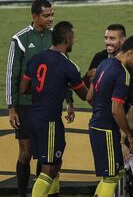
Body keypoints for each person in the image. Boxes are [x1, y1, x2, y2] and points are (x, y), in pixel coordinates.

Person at [5, 0, 72, 197]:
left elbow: (65, 71)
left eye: (52, 15)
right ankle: (22, 194)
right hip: (25, 106)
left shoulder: (56, 38)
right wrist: (11, 107)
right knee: (25, 154)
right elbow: (12, 74)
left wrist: (69, 100)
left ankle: (40, 193)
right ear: (34, 16)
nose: (51, 18)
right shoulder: (20, 39)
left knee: (45, 156)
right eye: (46, 15)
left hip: (49, 106)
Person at [19, 21, 88, 196]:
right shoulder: (68, 66)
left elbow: (23, 88)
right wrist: (93, 79)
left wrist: (47, 87)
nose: (74, 41)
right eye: (73, 38)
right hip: (49, 121)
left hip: (32, 117)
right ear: (67, 39)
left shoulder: (36, 58)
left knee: (55, 164)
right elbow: (86, 96)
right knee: (48, 170)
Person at [86, 36, 133, 197]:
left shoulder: (104, 64)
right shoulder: (122, 73)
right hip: (106, 129)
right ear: (131, 53)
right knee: (111, 177)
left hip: (95, 125)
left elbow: (89, 97)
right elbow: (116, 109)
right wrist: (130, 133)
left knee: (114, 172)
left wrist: (100, 110)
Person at [85, 24, 133, 112]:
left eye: (112, 39)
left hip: (130, 111)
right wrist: (100, 110)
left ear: (123, 40)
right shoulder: (99, 57)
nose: (108, 42)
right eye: (106, 38)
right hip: (109, 114)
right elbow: (88, 87)